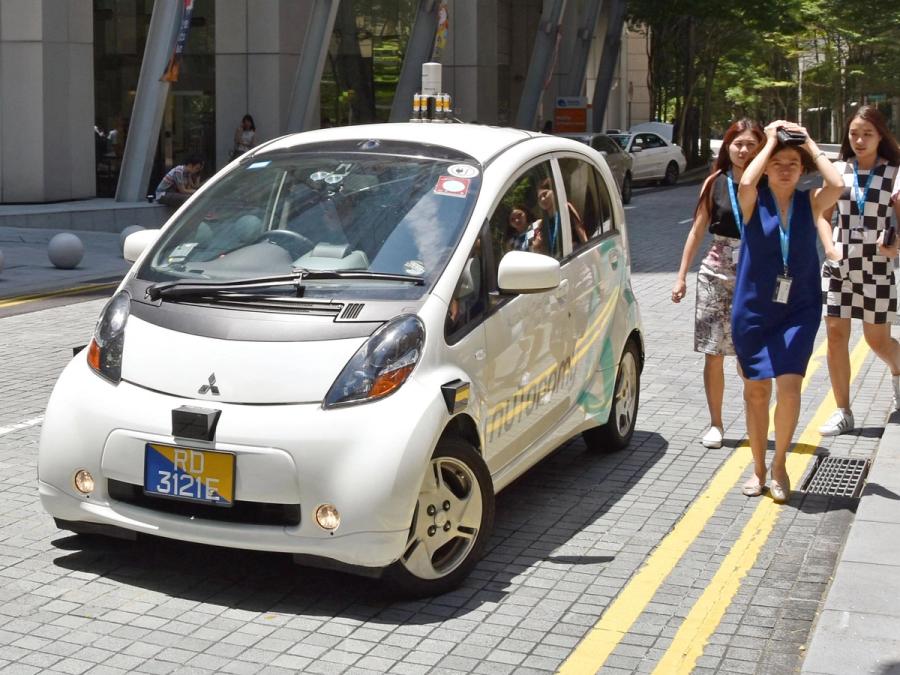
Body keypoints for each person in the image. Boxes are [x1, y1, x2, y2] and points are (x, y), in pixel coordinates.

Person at [732, 121, 843, 501]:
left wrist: (808, 142)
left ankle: (780, 464)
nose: (784, 168)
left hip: (799, 307)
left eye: (793, 163)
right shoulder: (751, 198)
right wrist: (771, 141)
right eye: (777, 162)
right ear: (766, 166)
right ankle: (758, 467)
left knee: (790, 385)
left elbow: (838, 185)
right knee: (756, 392)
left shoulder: (809, 201)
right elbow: (747, 182)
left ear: (802, 169)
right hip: (753, 309)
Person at [672, 119, 765, 449]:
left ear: (761, 147)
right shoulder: (715, 181)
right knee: (713, 353)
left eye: (751, 144)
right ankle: (716, 424)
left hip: (754, 275)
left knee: (748, 354)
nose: (743, 150)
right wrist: (682, 276)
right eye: (737, 143)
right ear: (727, 147)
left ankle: (755, 419)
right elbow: (697, 230)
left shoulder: (766, 183)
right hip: (715, 272)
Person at [818, 106, 900, 435]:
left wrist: (894, 244)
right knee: (836, 336)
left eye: (867, 133)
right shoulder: (838, 170)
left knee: (876, 340)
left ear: (881, 135)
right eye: (854, 133)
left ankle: (897, 371)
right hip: (839, 265)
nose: (860, 140)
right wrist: (829, 246)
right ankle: (843, 411)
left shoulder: (894, 171)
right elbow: (822, 215)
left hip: (877, 267)